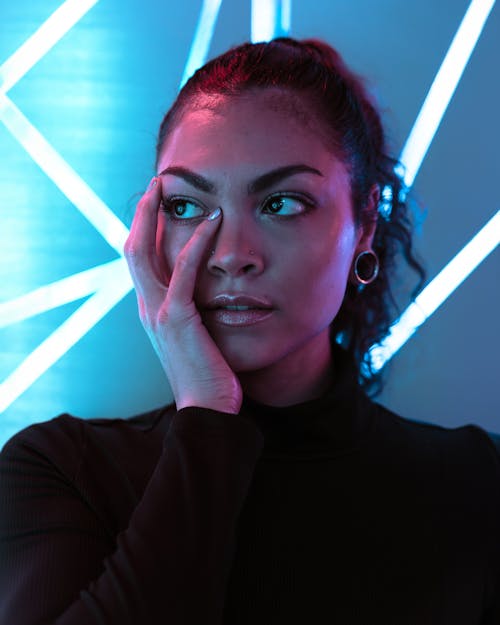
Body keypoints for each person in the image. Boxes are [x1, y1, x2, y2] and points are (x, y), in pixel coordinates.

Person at [0, 37, 499, 625]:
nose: (231, 255)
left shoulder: (476, 487)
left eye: (282, 203)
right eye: (185, 207)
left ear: (365, 222)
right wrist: (208, 416)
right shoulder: (61, 470)